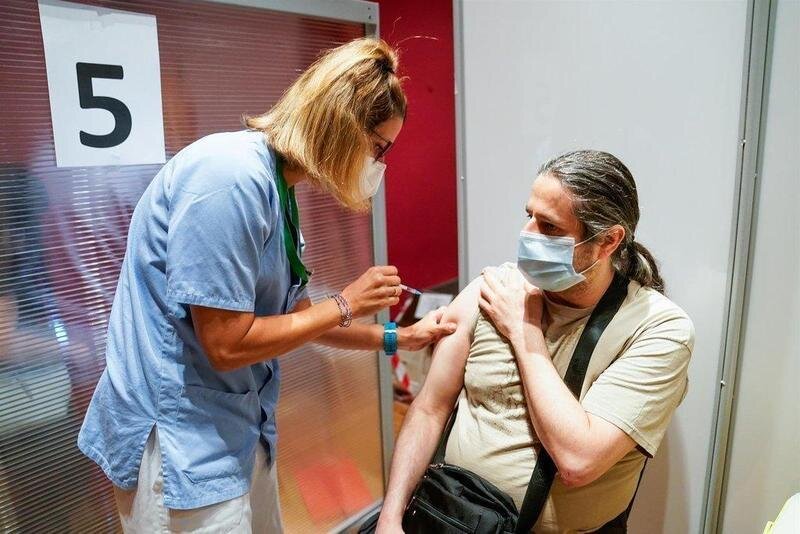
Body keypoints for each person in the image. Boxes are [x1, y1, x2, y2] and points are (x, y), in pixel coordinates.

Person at [77, 37, 456, 533]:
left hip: (235, 429)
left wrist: (396, 338)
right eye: (378, 148)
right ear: (342, 128)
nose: (379, 166)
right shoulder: (229, 180)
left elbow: (295, 319)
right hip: (178, 443)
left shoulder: (278, 189)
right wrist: (347, 301)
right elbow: (225, 344)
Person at [377, 150, 695, 533]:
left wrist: (523, 330)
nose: (527, 235)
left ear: (608, 241)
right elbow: (430, 408)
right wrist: (390, 516)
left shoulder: (658, 330)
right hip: (449, 518)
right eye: (529, 216)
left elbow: (578, 460)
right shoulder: (494, 289)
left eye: (550, 227)